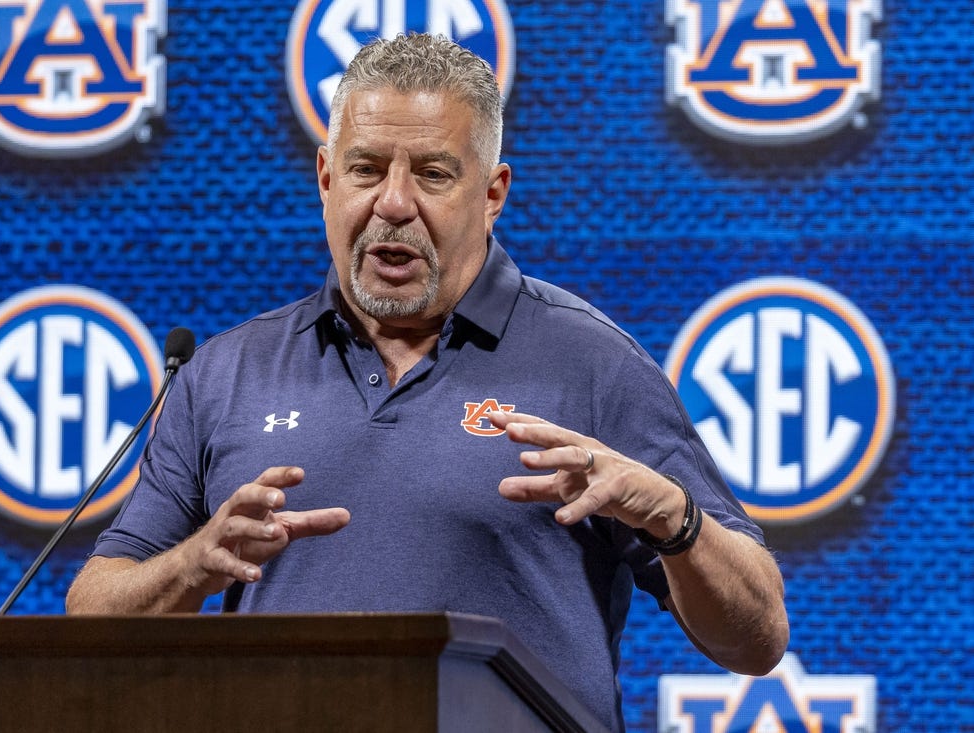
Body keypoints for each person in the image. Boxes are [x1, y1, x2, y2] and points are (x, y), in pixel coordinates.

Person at [67, 33, 788, 728]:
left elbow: (757, 638)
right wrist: (195, 563)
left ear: (493, 191)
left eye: (433, 174)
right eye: (366, 169)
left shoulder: (594, 366)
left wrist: (675, 518)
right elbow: (91, 620)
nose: (393, 202)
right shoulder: (226, 373)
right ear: (325, 178)